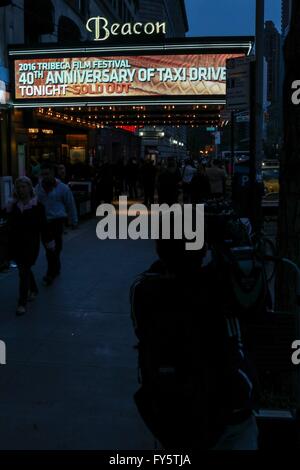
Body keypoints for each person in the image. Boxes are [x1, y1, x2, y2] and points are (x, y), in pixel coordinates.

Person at [130, 228, 258, 450]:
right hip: (229, 409)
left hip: (173, 412)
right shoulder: (217, 287)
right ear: (202, 251)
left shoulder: (144, 290)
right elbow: (254, 301)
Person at [6, 177, 52, 315]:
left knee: (24, 269)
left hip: (31, 244)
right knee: (23, 269)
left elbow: (44, 227)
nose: (21, 190)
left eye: (23, 187)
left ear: (29, 188)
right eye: (18, 187)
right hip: (16, 243)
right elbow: (10, 226)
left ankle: (22, 302)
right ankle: (34, 289)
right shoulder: (13, 206)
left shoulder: (38, 206)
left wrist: (49, 242)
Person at [35, 162, 78, 285]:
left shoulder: (63, 188)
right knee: (49, 249)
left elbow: (70, 204)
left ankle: (53, 270)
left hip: (57, 221)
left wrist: (74, 220)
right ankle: (51, 272)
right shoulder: (38, 188)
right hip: (44, 223)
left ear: (53, 173)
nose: (44, 176)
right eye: (42, 174)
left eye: (47, 174)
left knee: (56, 248)